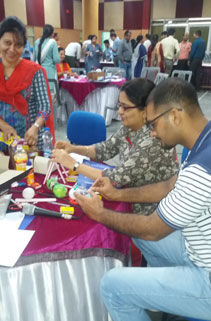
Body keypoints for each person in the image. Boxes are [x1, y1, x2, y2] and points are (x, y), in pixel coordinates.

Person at [75, 78, 211, 321]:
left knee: (112, 286)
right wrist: (118, 194)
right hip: (197, 249)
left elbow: (152, 230)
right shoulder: (204, 141)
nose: (153, 131)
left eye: (154, 123)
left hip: (207, 276)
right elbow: (169, 185)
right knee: (136, 230)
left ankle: (179, 293)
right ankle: (165, 296)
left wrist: (99, 214)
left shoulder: (199, 172)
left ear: (176, 116)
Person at [52, 78, 178, 214]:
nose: (119, 111)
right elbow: (104, 150)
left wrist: (73, 164)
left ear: (145, 111)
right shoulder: (130, 128)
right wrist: (73, 149)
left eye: (125, 107)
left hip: (150, 214)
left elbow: (115, 179)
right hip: (129, 197)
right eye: (119, 105)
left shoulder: (153, 140)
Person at [0, 16, 54, 151]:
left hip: (29, 142)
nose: (12, 49)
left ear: (24, 46)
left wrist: (36, 126)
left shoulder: (35, 72)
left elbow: (45, 107)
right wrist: (4, 126)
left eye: (18, 44)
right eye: (7, 43)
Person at [33, 24, 60, 91]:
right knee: (50, 94)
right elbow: (56, 60)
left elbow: (34, 59)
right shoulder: (53, 42)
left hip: (38, 71)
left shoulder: (36, 41)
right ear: (52, 34)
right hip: (50, 72)